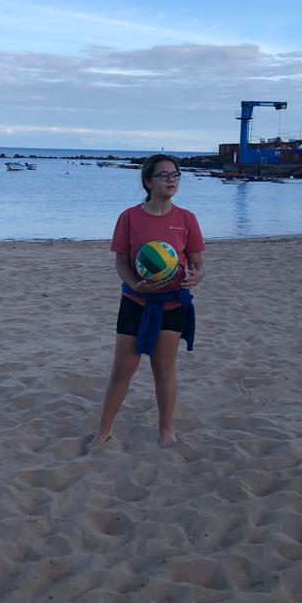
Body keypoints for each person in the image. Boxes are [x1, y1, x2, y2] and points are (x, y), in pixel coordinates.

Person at [91, 154, 205, 448]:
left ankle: (166, 430)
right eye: (164, 175)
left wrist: (196, 276)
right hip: (135, 300)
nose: (171, 180)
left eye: (175, 175)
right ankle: (103, 430)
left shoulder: (187, 219)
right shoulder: (129, 217)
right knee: (123, 368)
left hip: (172, 303)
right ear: (148, 181)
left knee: (164, 368)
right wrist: (134, 284)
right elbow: (121, 261)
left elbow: (197, 263)